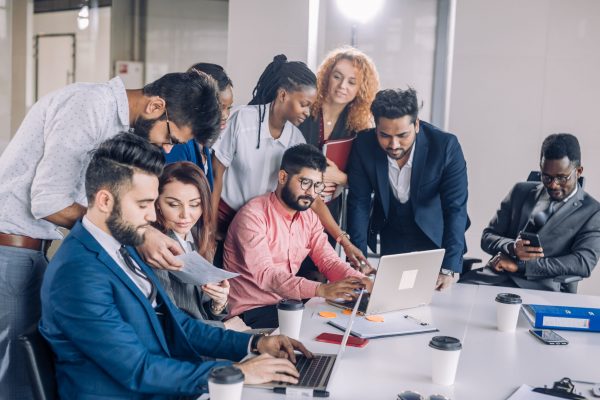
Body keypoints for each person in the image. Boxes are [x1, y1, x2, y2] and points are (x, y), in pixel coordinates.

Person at [0, 71, 221, 399]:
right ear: (156, 105)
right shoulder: (90, 107)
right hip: (14, 247)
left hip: (36, 247)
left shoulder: (116, 123)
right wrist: (139, 235)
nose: (165, 147)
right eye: (170, 138)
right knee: (20, 380)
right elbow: (49, 201)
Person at [40, 133, 311, 399]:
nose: (150, 215)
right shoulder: (77, 273)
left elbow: (178, 324)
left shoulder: (123, 246)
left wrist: (256, 344)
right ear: (104, 201)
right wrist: (237, 372)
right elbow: (137, 370)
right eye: (143, 204)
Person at [224, 144, 372, 329]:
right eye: (305, 183)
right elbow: (267, 276)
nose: (311, 193)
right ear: (283, 177)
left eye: (317, 185)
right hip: (252, 312)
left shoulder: (309, 217)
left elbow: (329, 262)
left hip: (288, 305)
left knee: (350, 322)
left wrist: (363, 281)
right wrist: (320, 289)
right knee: (324, 328)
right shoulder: (253, 216)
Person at [346, 88, 469, 290]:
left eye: (403, 135)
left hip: (434, 235)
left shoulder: (446, 146)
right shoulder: (364, 145)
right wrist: (359, 260)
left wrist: (449, 267)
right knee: (391, 300)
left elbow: (455, 208)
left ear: (417, 125)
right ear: (376, 127)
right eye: (384, 135)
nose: (394, 144)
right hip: (391, 232)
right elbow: (359, 202)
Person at [460, 134, 600, 291]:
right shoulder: (520, 191)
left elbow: (583, 262)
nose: (553, 185)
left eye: (561, 178)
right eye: (546, 177)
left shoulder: (592, 211)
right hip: (492, 277)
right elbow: (487, 237)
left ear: (578, 171)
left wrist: (522, 266)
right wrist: (512, 247)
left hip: (540, 288)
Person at [298, 46, 379, 279]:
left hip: (328, 212)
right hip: (290, 206)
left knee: (317, 275)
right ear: (326, 77)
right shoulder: (304, 110)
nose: (343, 86)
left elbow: (368, 182)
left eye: (352, 82)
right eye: (337, 77)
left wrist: (340, 178)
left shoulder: (360, 127)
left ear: (360, 88)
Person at [153, 161, 229, 326]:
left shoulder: (199, 236)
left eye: (195, 204)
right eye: (173, 204)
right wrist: (224, 330)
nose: (185, 215)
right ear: (157, 203)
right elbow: (172, 322)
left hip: (206, 333)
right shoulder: (156, 247)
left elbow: (205, 311)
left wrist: (219, 303)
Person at [164, 63, 235, 190]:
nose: (225, 115)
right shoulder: (180, 143)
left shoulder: (203, 141)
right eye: (220, 107)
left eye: (229, 108)